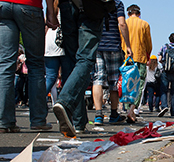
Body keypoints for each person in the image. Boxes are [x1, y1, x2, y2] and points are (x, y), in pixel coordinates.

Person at [0, 0, 57, 133]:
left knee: (5, 65)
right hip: (29, 5)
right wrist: (50, 12)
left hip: (3, 5)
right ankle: (38, 120)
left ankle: (4, 121)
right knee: (35, 64)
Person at [52, 0, 106, 137]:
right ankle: (65, 103)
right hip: (91, 8)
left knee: (73, 62)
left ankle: (79, 121)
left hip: (67, 5)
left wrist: (51, 11)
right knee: (85, 59)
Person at [93, 0, 132, 126]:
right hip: (113, 45)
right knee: (114, 82)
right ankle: (114, 114)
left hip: (97, 44)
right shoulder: (117, 3)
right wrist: (128, 45)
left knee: (98, 79)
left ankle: (98, 115)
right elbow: (122, 24)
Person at [121, 4, 152, 123]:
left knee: (128, 84)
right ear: (139, 13)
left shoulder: (124, 23)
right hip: (141, 57)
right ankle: (132, 110)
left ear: (128, 13)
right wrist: (148, 54)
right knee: (139, 85)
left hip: (127, 58)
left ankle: (128, 108)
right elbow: (148, 43)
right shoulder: (144, 24)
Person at [44, 0, 71, 100]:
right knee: (66, 77)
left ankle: (38, 101)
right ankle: (64, 102)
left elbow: (46, 26)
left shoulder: (50, 8)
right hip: (62, 41)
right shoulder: (64, 6)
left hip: (49, 42)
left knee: (50, 77)